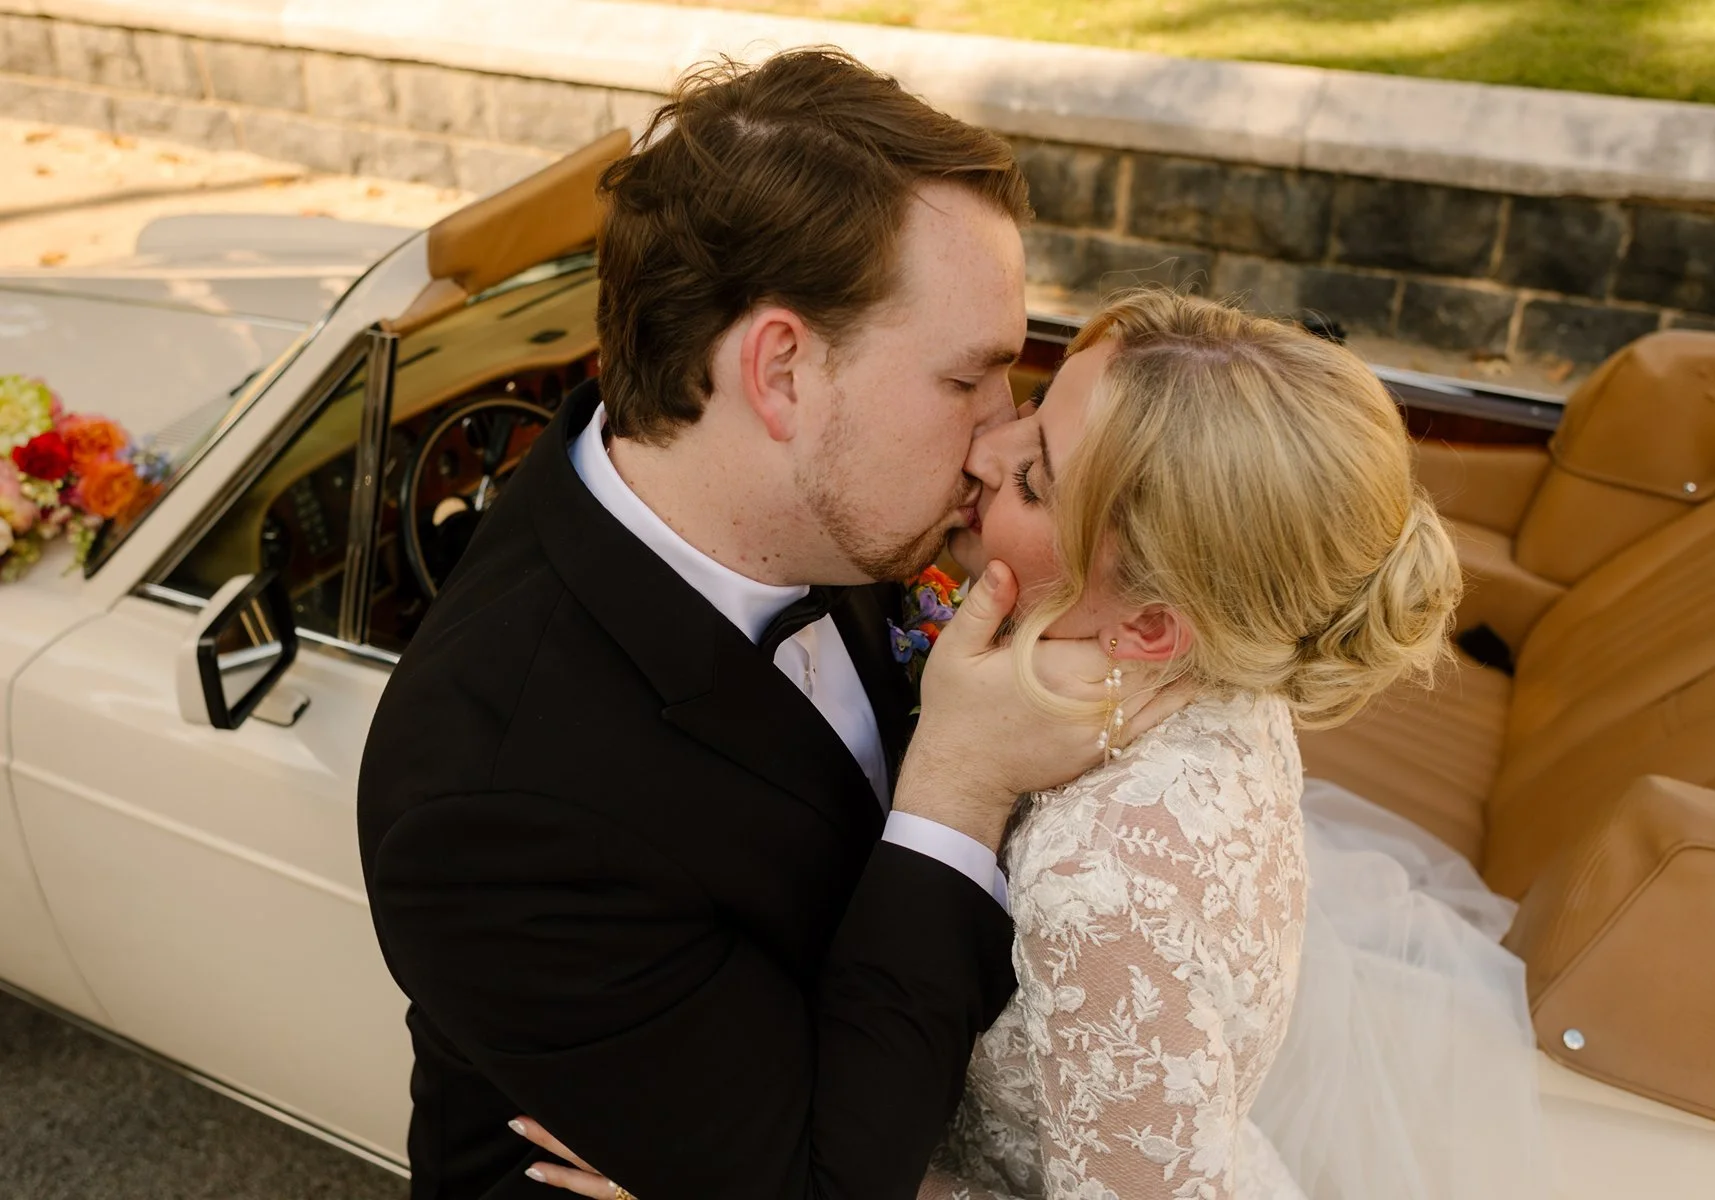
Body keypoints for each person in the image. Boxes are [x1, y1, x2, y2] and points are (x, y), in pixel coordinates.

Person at [517, 291, 1550, 1200]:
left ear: (1152, 626)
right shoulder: (1212, 659)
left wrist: (727, 1173)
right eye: (1033, 407)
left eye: (1036, 483)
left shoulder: (1104, 885)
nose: (981, 451)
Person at [357, 50, 1166, 1200]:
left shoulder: (825, 508)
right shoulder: (495, 803)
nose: (1000, 441)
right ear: (780, 371)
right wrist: (959, 786)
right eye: (967, 380)